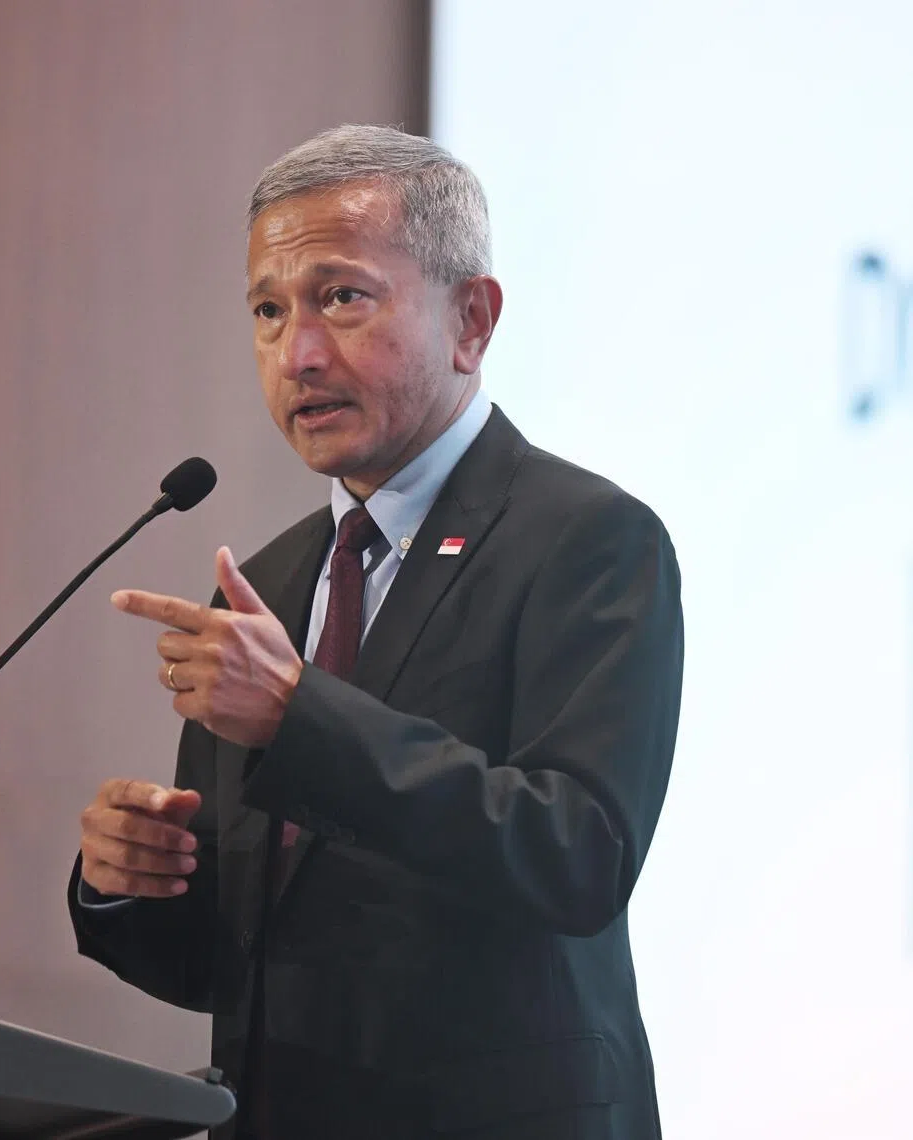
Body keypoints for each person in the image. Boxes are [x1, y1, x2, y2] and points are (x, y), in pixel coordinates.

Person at [69, 124, 684, 1140]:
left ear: (471, 321)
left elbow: (581, 856)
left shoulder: (589, 540)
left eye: (342, 298)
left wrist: (302, 715)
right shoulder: (265, 584)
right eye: (268, 311)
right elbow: (241, 959)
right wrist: (129, 884)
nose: (297, 352)